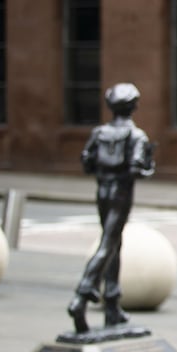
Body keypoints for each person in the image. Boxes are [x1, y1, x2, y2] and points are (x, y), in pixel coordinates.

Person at [67, 83, 156, 333]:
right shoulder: (136, 136)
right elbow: (137, 169)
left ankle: (112, 306)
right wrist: (149, 167)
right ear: (134, 106)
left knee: (114, 245)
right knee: (108, 244)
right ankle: (82, 295)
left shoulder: (99, 132)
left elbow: (87, 162)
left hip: (102, 190)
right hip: (120, 193)